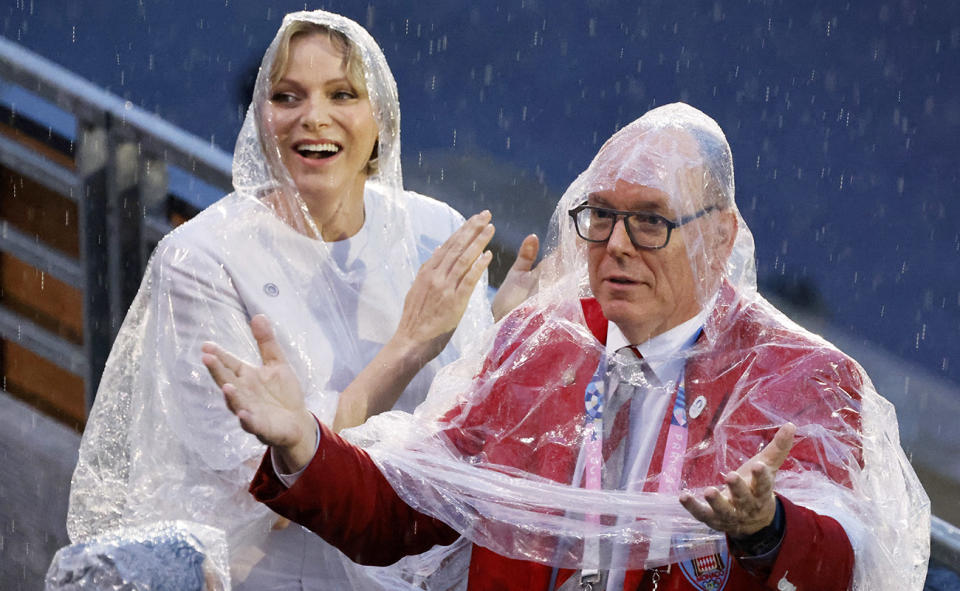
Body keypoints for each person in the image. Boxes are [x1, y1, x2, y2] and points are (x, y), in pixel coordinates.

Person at [206, 103, 930, 590]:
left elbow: (845, 563)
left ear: (721, 234)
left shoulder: (798, 377)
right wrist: (305, 442)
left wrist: (768, 530)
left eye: (650, 221)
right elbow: (411, 507)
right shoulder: (540, 344)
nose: (616, 245)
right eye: (602, 216)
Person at [66, 9, 538, 590]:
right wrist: (406, 349)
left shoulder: (433, 228)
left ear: (380, 119)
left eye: (342, 94)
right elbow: (265, 493)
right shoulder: (200, 261)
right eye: (288, 97)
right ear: (260, 121)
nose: (314, 118)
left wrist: (506, 335)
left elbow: (458, 430)